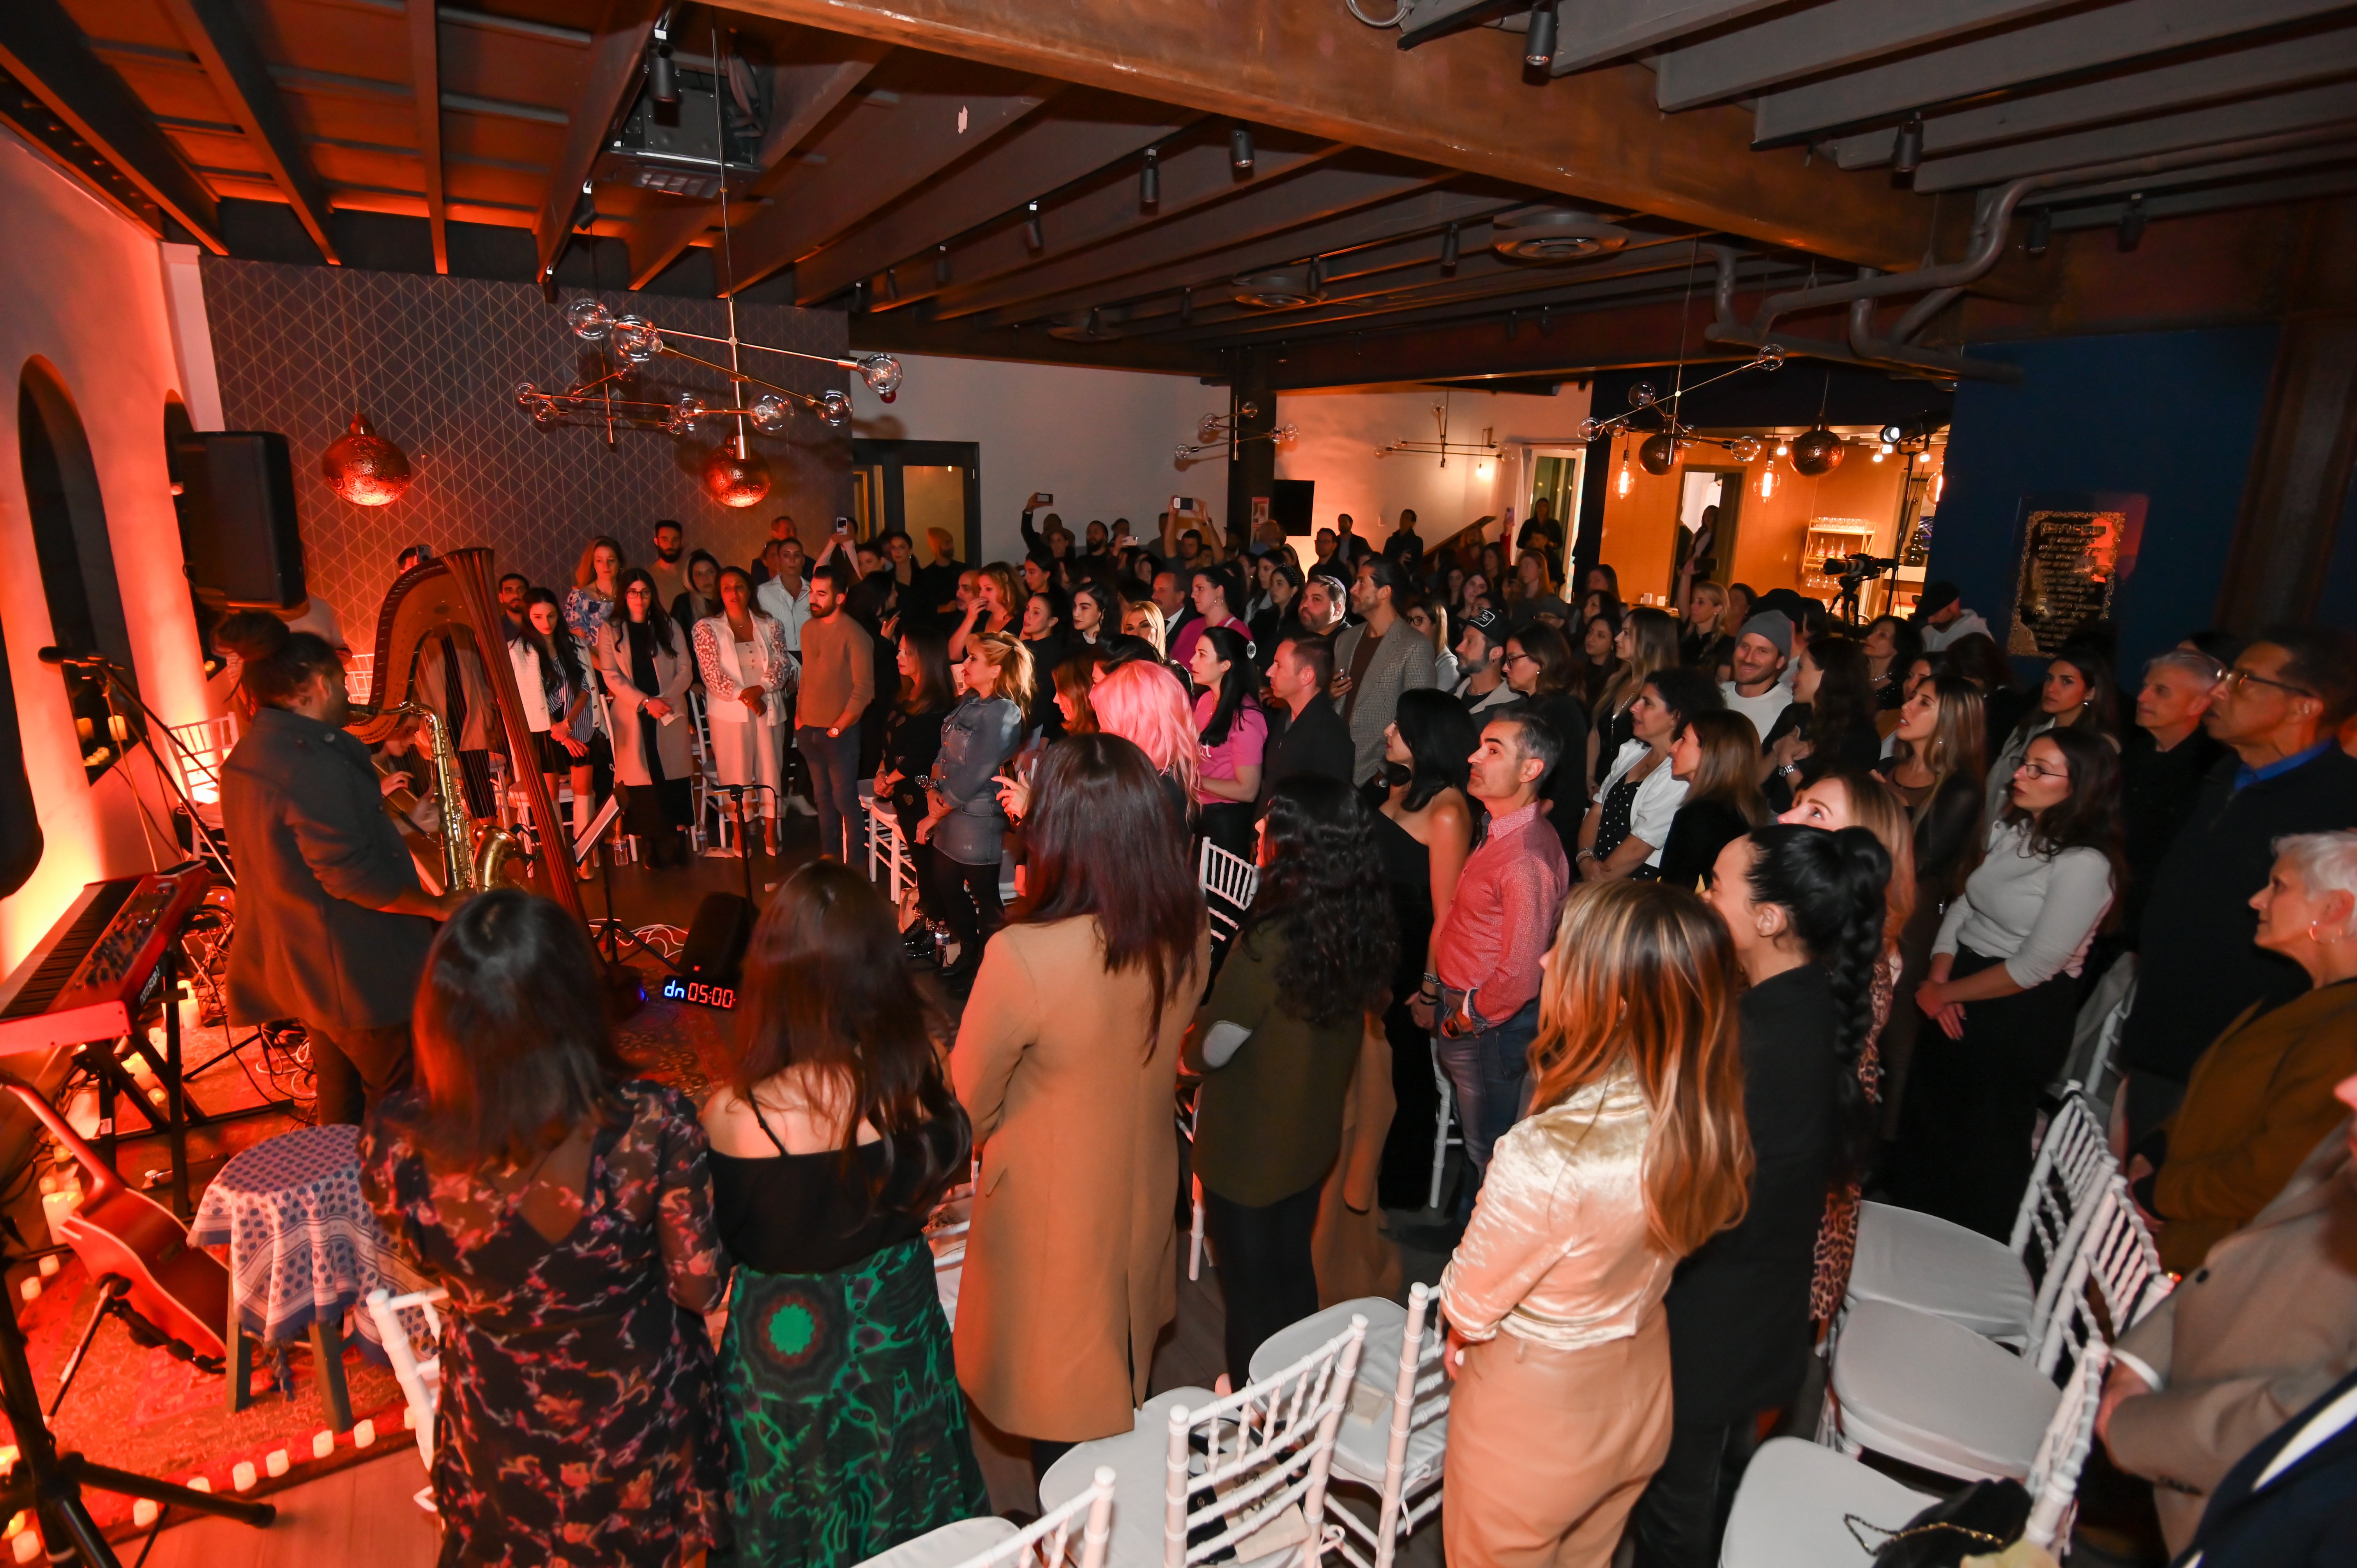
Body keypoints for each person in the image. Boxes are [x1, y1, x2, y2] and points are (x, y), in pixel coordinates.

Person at [360, 891, 727, 1567]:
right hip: (640, 1417)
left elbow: (426, 1256)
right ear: (575, 1000)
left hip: (500, 1417)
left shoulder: (396, 1138)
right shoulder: (655, 1120)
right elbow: (701, 1286)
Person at [1439, 881, 1753, 1568]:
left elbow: (1466, 1302)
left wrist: (1459, 1334)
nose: (1545, 962)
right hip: (1641, 1392)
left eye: (1566, 952)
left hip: (1536, 1423)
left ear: (1615, 1001)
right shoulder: (1701, 1114)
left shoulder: (1549, 1152)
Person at [701, 864, 986, 1562]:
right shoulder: (924, 1067)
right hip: (898, 1331)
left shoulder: (734, 1114)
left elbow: (716, 1255)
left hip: (788, 1354)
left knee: (798, 1521)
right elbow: (943, 1178)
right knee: (909, 1502)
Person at [951, 736, 1207, 1481]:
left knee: (1058, 1404)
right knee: (1117, 1370)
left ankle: (1069, 1529)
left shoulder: (1026, 955)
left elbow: (969, 1103)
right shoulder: (1186, 923)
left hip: (1050, 1210)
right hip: (1143, 1181)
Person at [1630, 825, 1887, 1568]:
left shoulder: (1759, 1034)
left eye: (1716, 884)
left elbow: (1693, 1191)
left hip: (1714, 1321)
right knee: (1708, 1499)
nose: (1701, 894)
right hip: (1753, 1310)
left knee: (1676, 1518)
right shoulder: (1804, 1002)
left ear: (1770, 917)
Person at [1188, 776, 1398, 1384]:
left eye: (1273, 821)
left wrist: (1185, 1054)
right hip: (1311, 1141)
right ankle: (1301, 1403)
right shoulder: (1356, 923)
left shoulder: (1270, 940)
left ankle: (1257, 1418)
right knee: (1291, 1272)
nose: (1258, 827)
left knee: (1250, 1296)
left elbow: (1216, 1045)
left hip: (1249, 1151)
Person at [217, 613, 463, 1127]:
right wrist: (439, 906)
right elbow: (349, 876)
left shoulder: (252, 754)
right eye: (342, 681)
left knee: (341, 1097)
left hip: (306, 969)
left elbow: (297, 855)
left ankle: (341, 1179)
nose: (349, 693)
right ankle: (395, 1179)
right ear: (317, 685)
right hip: (354, 970)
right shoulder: (310, 762)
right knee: (401, 1102)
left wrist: (402, 826)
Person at [2117, 629, 2357, 1145]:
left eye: (2244, 680)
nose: (2219, 690)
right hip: (2164, 1036)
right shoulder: (2227, 772)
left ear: (2303, 707)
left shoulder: (2342, 804)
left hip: (2242, 1066)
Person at [2099, 1082, 2357, 1559]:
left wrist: (2138, 1430)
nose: (2347, 1089)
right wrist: (2144, 1359)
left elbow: (2315, 1413)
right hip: (2184, 1451)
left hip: (2250, 1504)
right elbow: (2259, 1237)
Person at [1889, 727, 2123, 1237]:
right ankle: (1906, 1232)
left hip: (2018, 1009)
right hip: (1961, 979)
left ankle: (1968, 1250)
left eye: (2039, 769)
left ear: (2080, 787)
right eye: (2024, 763)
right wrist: (1939, 975)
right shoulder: (2018, 831)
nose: (2020, 774)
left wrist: (1943, 993)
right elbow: (1965, 904)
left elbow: (2037, 964)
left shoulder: (2084, 865)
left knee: (1982, 1141)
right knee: (1929, 1119)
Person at [2128, 832, 2357, 1273]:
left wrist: (2159, 1195)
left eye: (2278, 886)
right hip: (2184, 1236)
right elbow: (2221, 1101)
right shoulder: (2299, 993)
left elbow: (2275, 1171)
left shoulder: (2347, 1028)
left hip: (2217, 1261)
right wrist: (2154, 1150)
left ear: (2334, 909)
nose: (2256, 900)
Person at [1417, 711, 1572, 1212]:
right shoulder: (1501, 829)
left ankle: (1469, 1250)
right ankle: (1459, 1230)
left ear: (1531, 770)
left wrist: (1465, 1018)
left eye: (1493, 749)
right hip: (1477, 1016)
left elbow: (1521, 974)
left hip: (1491, 1028)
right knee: (1480, 1142)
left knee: (1489, 1153)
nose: (1473, 757)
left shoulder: (1525, 858)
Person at [1370, 689, 1482, 1206]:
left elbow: (1448, 912)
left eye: (1400, 726)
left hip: (1412, 960)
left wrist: (1431, 989)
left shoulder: (1449, 809)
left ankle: (1402, 1191)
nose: (1388, 732)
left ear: (1426, 738)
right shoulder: (1402, 786)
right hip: (1378, 950)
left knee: (1405, 1077)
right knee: (1374, 1074)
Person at [1873, 673, 1989, 1131]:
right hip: (1866, 901)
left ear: (1952, 721)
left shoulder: (1960, 788)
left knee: (1897, 1022)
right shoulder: (1890, 767)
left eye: (1925, 702)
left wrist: (1884, 801)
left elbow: (1919, 861)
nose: (1908, 706)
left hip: (1912, 916)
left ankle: (1890, 1138)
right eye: (1913, 696)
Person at [919, 632, 1030, 983]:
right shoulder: (969, 701)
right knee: (947, 885)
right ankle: (969, 952)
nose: (964, 665)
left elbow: (977, 772)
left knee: (985, 895)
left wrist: (934, 813)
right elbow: (942, 754)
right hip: (949, 810)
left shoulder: (1004, 712)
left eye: (973, 659)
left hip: (977, 819)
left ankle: (991, 966)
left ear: (996, 670)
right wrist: (931, 791)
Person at [2120, 649, 2228, 946]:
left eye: (2161, 691)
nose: (2143, 698)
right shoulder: (2136, 752)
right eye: (2145, 687)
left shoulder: (2212, 771)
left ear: (2199, 704)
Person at [1577, 667, 1722, 883]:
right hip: (1597, 875)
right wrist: (1585, 858)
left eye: (1647, 703)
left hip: (1634, 885)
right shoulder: (1632, 751)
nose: (1634, 708)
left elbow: (1640, 846)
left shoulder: (1679, 774)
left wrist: (1596, 882)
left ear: (1676, 716)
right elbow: (1597, 810)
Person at [595, 568, 694, 868]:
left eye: (645, 592)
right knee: (641, 778)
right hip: (633, 710)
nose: (640, 598)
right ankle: (650, 841)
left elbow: (685, 669)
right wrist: (645, 702)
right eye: (633, 592)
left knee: (673, 774)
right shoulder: (611, 629)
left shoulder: (669, 625)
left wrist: (664, 700)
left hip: (668, 707)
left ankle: (677, 838)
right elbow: (611, 675)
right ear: (624, 596)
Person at [693, 568, 794, 857]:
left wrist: (760, 690)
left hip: (768, 706)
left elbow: (782, 664)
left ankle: (771, 831)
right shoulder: (707, 627)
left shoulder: (770, 624)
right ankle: (739, 833)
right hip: (729, 713)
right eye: (727, 588)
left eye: (739, 587)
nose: (734, 593)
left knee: (771, 769)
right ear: (720, 593)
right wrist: (746, 697)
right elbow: (712, 674)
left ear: (750, 590)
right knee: (735, 773)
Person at [878, 629, 954, 957]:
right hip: (902, 790)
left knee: (930, 863)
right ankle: (926, 921)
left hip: (924, 788)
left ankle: (937, 927)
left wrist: (891, 778)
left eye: (905, 651)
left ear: (925, 657)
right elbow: (891, 743)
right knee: (921, 862)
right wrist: (882, 773)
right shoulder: (907, 695)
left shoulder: (938, 705)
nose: (898, 656)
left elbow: (922, 756)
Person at [1983, 643, 2122, 823]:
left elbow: (2086, 808)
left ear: (2091, 693)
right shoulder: (2028, 729)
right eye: (2049, 679)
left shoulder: (2098, 746)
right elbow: (1995, 783)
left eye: (2067, 682)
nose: (2051, 689)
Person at [795, 563, 876, 865]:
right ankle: (829, 858)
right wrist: (800, 718)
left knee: (845, 800)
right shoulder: (808, 629)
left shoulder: (855, 635)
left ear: (840, 598)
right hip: (809, 729)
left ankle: (854, 867)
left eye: (822, 594)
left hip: (839, 734)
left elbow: (864, 690)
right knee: (822, 798)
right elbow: (806, 676)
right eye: (812, 592)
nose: (813, 599)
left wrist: (839, 727)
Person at [1332, 558, 1438, 783]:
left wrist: (1385, 773)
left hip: (1376, 776)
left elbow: (1418, 719)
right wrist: (1330, 695)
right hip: (1335, 768)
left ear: (1385, 592)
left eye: (1362, 582)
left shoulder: (1414, 646)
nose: (1353, 589)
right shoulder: (1345, 640)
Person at [523, 588, 599, 869]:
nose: (546, 623)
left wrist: (568, 725)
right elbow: (528, 700)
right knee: (549, 796)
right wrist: (559, 732)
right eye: (538, 617)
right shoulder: (521, 651)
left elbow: (585, 688)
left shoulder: (574, 643)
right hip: (543, 729)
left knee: (584, 790)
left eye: (551, 615)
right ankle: (559, 863)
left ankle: (585, 859)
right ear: (528, 616)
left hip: (577, 721)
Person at [1763, 635, 1881, 809]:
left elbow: (1819, 807)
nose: (1794, 678)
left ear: (1827, 674)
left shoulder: (1860, 736)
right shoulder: (1794, 714)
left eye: (1801, 668)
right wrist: (1779, 750)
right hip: (1767, 813)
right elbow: (1754, 780)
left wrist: (1787, 762)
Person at [1656, 710, 1767, 892]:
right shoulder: (1747, 808)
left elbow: (1674, 891)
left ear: (1711, 751)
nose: (1673, 748)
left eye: (1683, 739)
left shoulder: (1699, 815)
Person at [1088, 656, 1200, 830]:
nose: (1102, 733)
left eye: (1107, 725)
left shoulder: (1147, 794)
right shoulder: (1167, 775)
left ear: (1135, 726)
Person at [1187, 625, 1266, 860]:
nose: (1192, 660)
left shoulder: (1246, 718)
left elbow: (1248, 790)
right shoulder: (1206, 700)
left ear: (1225, 665)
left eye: (1202, 655)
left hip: (1226, 823)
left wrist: (1193, 779)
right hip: (1201, 813)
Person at [1257, 633, 1352, 809]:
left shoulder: (1330, 737)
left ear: (1307, 676)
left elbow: (1329, 810)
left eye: (1279, 665)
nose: (1269, 672)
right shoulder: (1286, 717)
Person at [1591, 607, 1680, 791]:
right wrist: (1588, 777)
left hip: (1633, 783)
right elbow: (1596, 732)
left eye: (1627, 633)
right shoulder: (1616, 680)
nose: (1617, 638)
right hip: (1600, 779)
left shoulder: (1662, 693)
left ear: (1649, 641)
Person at [1719, 611, 1793, 743]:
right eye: (1744, 647)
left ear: (1780, 662)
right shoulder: (1717, 694)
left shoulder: (1788, 709)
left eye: (1762, 651)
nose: (1748, 658)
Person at [1171, 563, 1247, 669]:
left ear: (1219, 591)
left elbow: (1240, 673)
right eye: (1193, 590)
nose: (1193, 595)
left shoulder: (1237, 631)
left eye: (1200, 588)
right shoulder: (1191, 627)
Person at [1451, 606, 1520, 718]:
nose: (1459, 648)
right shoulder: (1450, 697)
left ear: (1496, 653)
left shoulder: (1514, 711)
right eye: (1462, 639)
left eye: (1470, 642)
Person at [949, 563, 1018, 660]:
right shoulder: (982, 616)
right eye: (980, 589)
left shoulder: (1021, 619)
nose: (982, 595)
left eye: (988, 589)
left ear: (1006, 589)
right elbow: (954, 655)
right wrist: (970, 619)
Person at [564, 535, 625, 643]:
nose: (606, 566)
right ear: (593, 565)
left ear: (620, 563)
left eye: (611, 560)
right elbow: (579, 643)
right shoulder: (579, 598)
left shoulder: (631, 594)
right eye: (599, 561)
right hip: (591, 654)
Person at [1862, 614, 1922, 718]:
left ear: (1900, 645)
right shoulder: (1851, 674)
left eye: (1882, 635)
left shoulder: (1902, 688)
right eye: (1872, 632)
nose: (1869, 637)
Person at [1247, 557, 1303, 665]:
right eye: (1272, 584)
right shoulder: (1262, 617)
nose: (1274, 589)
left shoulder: (1300, 621)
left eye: (1280, 584)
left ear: (1294, 590)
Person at [1915, 581, 1990, 652]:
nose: (1930, 621)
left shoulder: (1977, 636)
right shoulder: (1927, 632)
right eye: (1928, 616)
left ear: (1954, 606)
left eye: (1935, 614)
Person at [1679, 581, 1734, 675]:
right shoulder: (1684, 636)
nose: (1693, 606)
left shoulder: (1726, 645)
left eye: (1701, 602)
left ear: (1718, 608)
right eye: (1693, 601)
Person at [1509, 551, 1572, 628]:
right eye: (1521, 567)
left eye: (1528, 566)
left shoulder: (1552, 602)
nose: (1523, 571)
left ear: (1540, 569)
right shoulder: (1517, 598)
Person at [671, 548, 722, 634]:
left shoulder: (729, 599)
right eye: (699, 574)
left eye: (711, 572)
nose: (705, 578)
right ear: (691, 579)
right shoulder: (684, 603)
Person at [645, 519, 689, 609]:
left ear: (681, 542)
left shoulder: (692, 571)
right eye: (665, 540)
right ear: (657, 542)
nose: (670, 545)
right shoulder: (648, 576)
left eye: (675, 540)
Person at [749, 514, 798, 586]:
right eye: (787, 531)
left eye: (794, 531)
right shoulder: (760, 565)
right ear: (774, 534)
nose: (793, 535)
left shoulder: (807, 562)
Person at [1297, 572, 1349, 639]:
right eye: (1305, 597)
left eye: (1316, 599)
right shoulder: (1296, 633)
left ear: (1337, 608)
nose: (1305, 604)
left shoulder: (1352, 642)